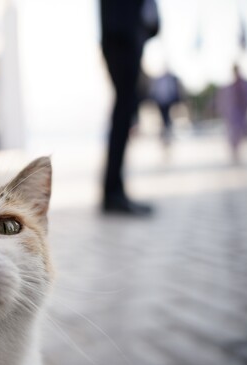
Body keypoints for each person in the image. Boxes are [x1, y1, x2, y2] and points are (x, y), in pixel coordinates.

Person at [100, 0, 157, 216]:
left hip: (126, 36)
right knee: (123, 110)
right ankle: (113, 193)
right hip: (122, 37)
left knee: (125, 109)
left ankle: (115, 190)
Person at [216, 65, 247, 163]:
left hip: (242, 111)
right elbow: (223, 100)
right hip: (232, 113)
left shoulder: (246, 83)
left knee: (240, 131)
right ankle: (234, 150)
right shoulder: (229, 86)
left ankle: (237, 149)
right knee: (232, 132)